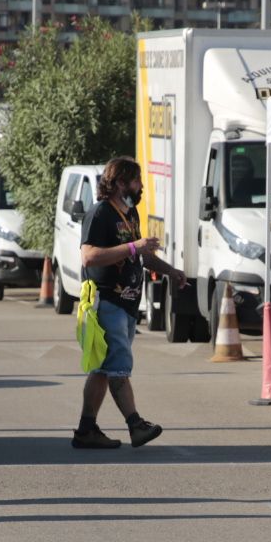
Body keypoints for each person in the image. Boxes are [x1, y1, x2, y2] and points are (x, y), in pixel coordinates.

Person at [73, 156, 182, 450]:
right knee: (119, 366)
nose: (141, 186)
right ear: (120, 182)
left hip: (128, 304)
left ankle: (86, 430)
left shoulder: (129, 214)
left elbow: (140, 255)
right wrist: (134, 246)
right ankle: (136, 424)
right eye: (136, 180)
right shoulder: (100, 213)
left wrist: (172, 271)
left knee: (103, 369)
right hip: (107, 301)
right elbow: (89, 256)